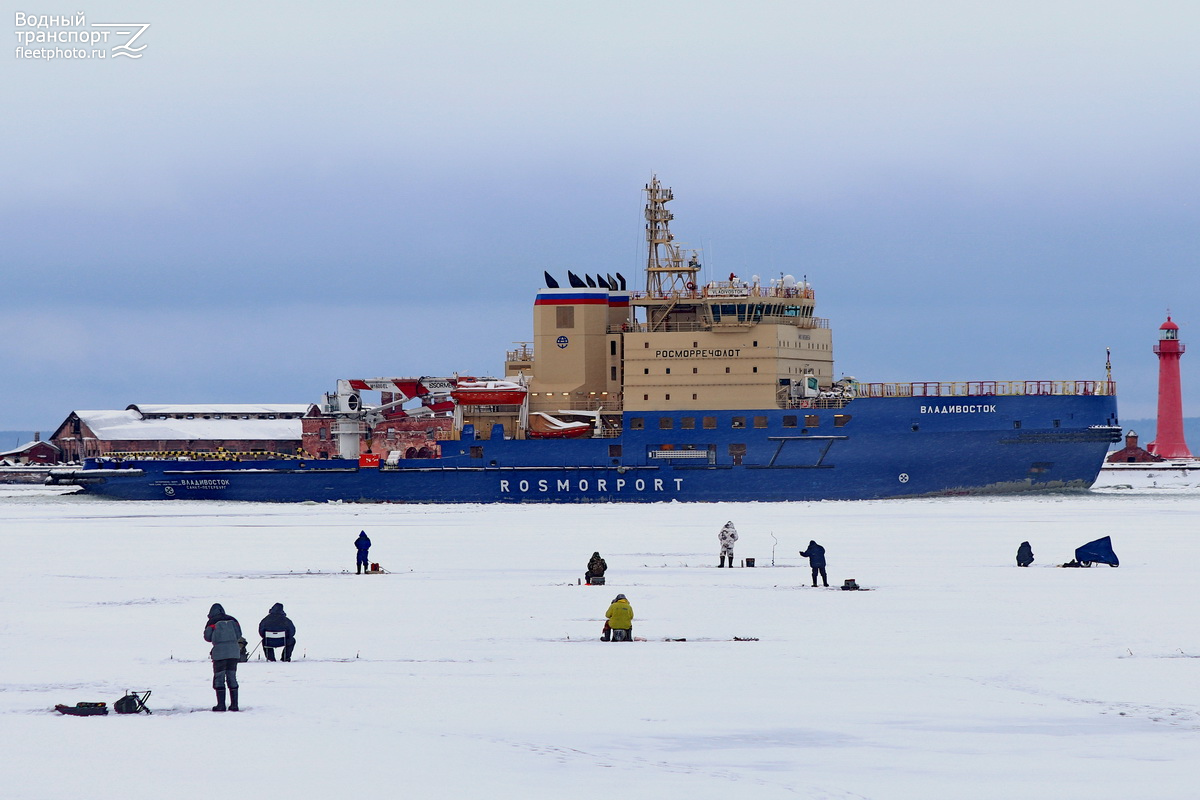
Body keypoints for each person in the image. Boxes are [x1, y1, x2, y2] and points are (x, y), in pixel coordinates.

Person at [204, 603, 242, 712]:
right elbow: (239, 634)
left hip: (219, 653)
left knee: (219, 678)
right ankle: (234, 705)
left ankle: (221, 705)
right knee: (232, 677)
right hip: (234, 652)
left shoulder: (211, 622)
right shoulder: (233, 620)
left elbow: (207, 637)